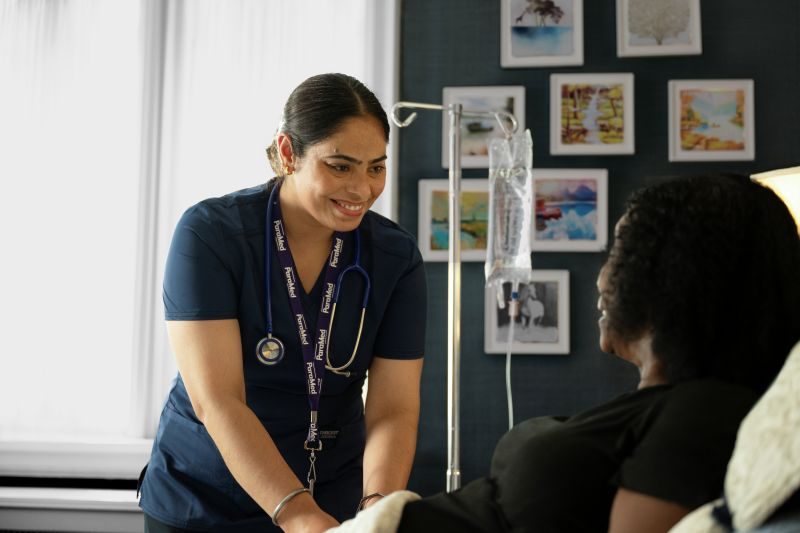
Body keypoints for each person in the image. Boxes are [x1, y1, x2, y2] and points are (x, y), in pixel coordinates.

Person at [380, 174, 800, 533]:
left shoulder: (703, 413)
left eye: (620, 254)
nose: (601, 280)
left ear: (680, 276)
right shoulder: (672, 406)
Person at [137, 73, 427, 533]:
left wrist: (377, 507)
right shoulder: (211, 235)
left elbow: (393, 407)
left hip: (333, 497)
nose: (362, 189)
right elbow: (218, 400)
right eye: (340, 165)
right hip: (206, 499)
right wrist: (297, 513)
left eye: (376, 167)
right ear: (289, 153)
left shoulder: (394, 257)